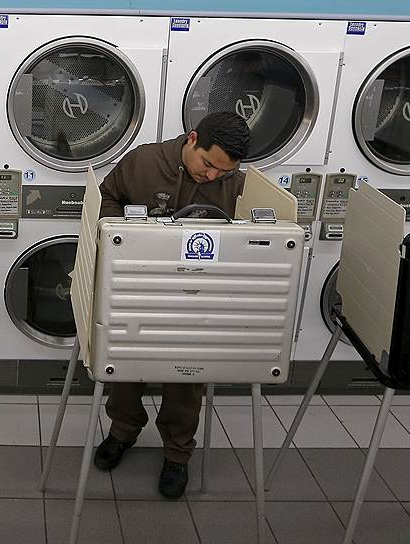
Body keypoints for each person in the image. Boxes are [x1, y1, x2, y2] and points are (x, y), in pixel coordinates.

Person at [94, 111, 251, 499]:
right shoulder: (143, 162)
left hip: (197, 299)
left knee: (187, 375)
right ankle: (123, 429)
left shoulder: (238, 185)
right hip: (136, 287)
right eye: (208, 164)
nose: (212, 176)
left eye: (224, 172)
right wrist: (118, 234)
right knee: (124, 364)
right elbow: (108, 196)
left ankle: (177, 452)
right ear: (192, 139)